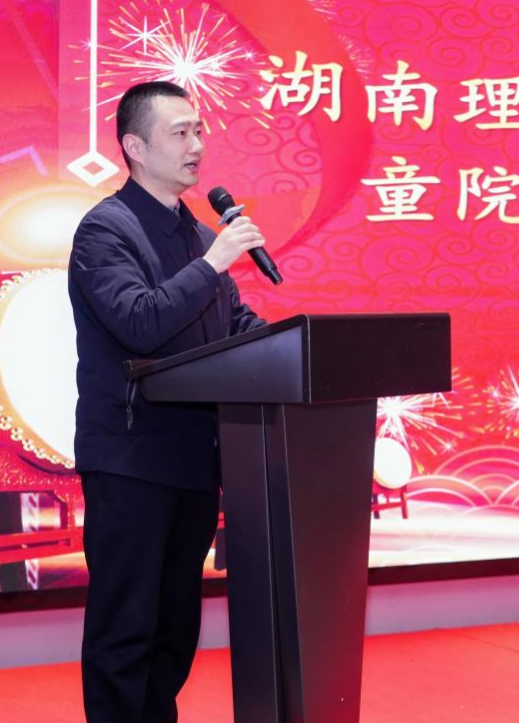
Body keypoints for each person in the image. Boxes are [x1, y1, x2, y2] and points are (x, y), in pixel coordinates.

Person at [68, 80, 268, 723]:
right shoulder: (105, 231)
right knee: (126, 629)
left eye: (199, 130)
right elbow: (140, 323)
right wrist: (213, 263)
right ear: (135, 147)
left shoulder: (198, 235)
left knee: (174, 630)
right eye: (180, 132)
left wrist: (299, 344)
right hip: (130, 459)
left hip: (194, 460)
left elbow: (234, 330)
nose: (196, 145)